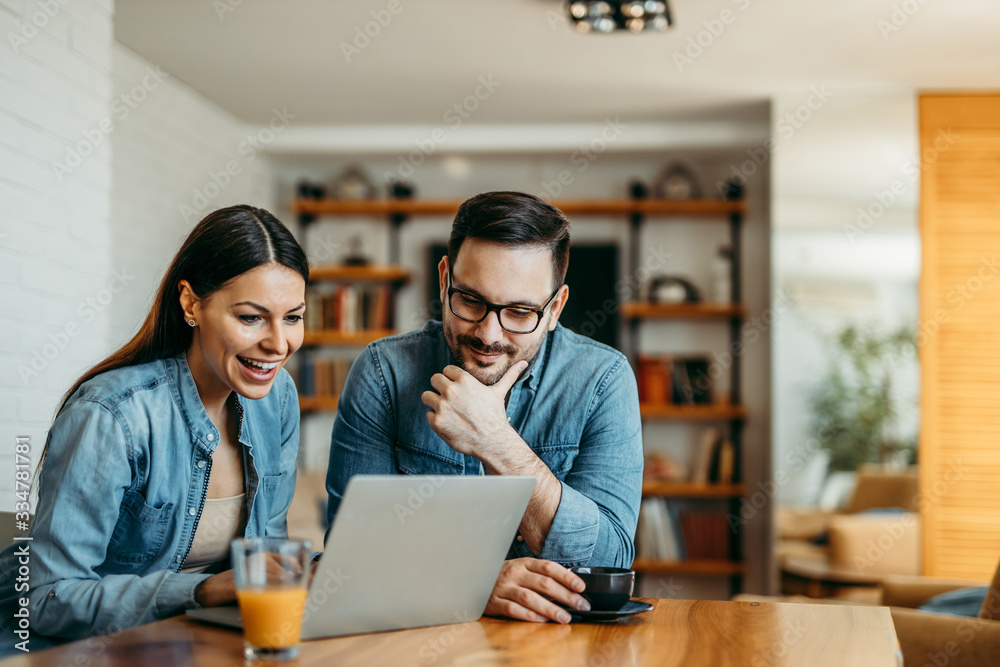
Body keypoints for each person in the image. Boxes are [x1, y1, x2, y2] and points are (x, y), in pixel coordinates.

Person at [326, 191, 643, 625]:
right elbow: (348, 559)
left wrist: (496, 443)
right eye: (471, 301)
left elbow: (608, 562)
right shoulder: (383, 373)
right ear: (444, 280)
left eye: (519, 311)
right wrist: (472, 584)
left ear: (556, 308)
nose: (489, 334)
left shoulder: (603, 379)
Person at [0, 205, 308, 651]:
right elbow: (46, 598)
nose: (279, 344)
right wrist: (202, 592)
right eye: (250, 317)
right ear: (191, 303)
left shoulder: (277, 399)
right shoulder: (112, 415)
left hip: (187, 642)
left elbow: (267, 552)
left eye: (293, 318)